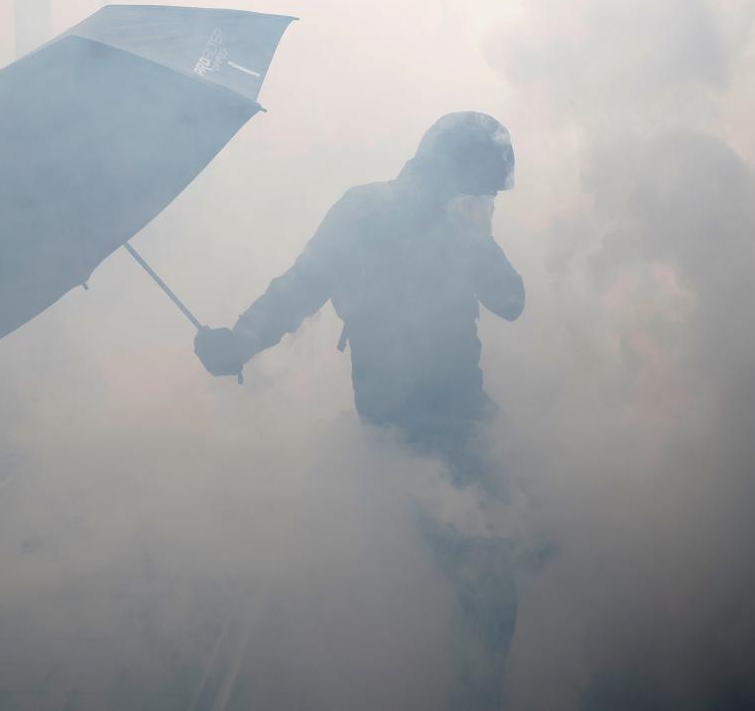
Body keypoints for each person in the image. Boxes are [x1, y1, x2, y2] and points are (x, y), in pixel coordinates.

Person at [194, 111, 524, 709]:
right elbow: (302, 285)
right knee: (476, 570)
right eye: (480, 191)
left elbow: (511, 302)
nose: (486, 204)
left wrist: (476, 240)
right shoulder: (365, 212)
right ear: (448, 174)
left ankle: (475, 682)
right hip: (401, 422)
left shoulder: (464, 227)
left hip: (464, 409)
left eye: (488, 197)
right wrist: (239, 340)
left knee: (520, 542)